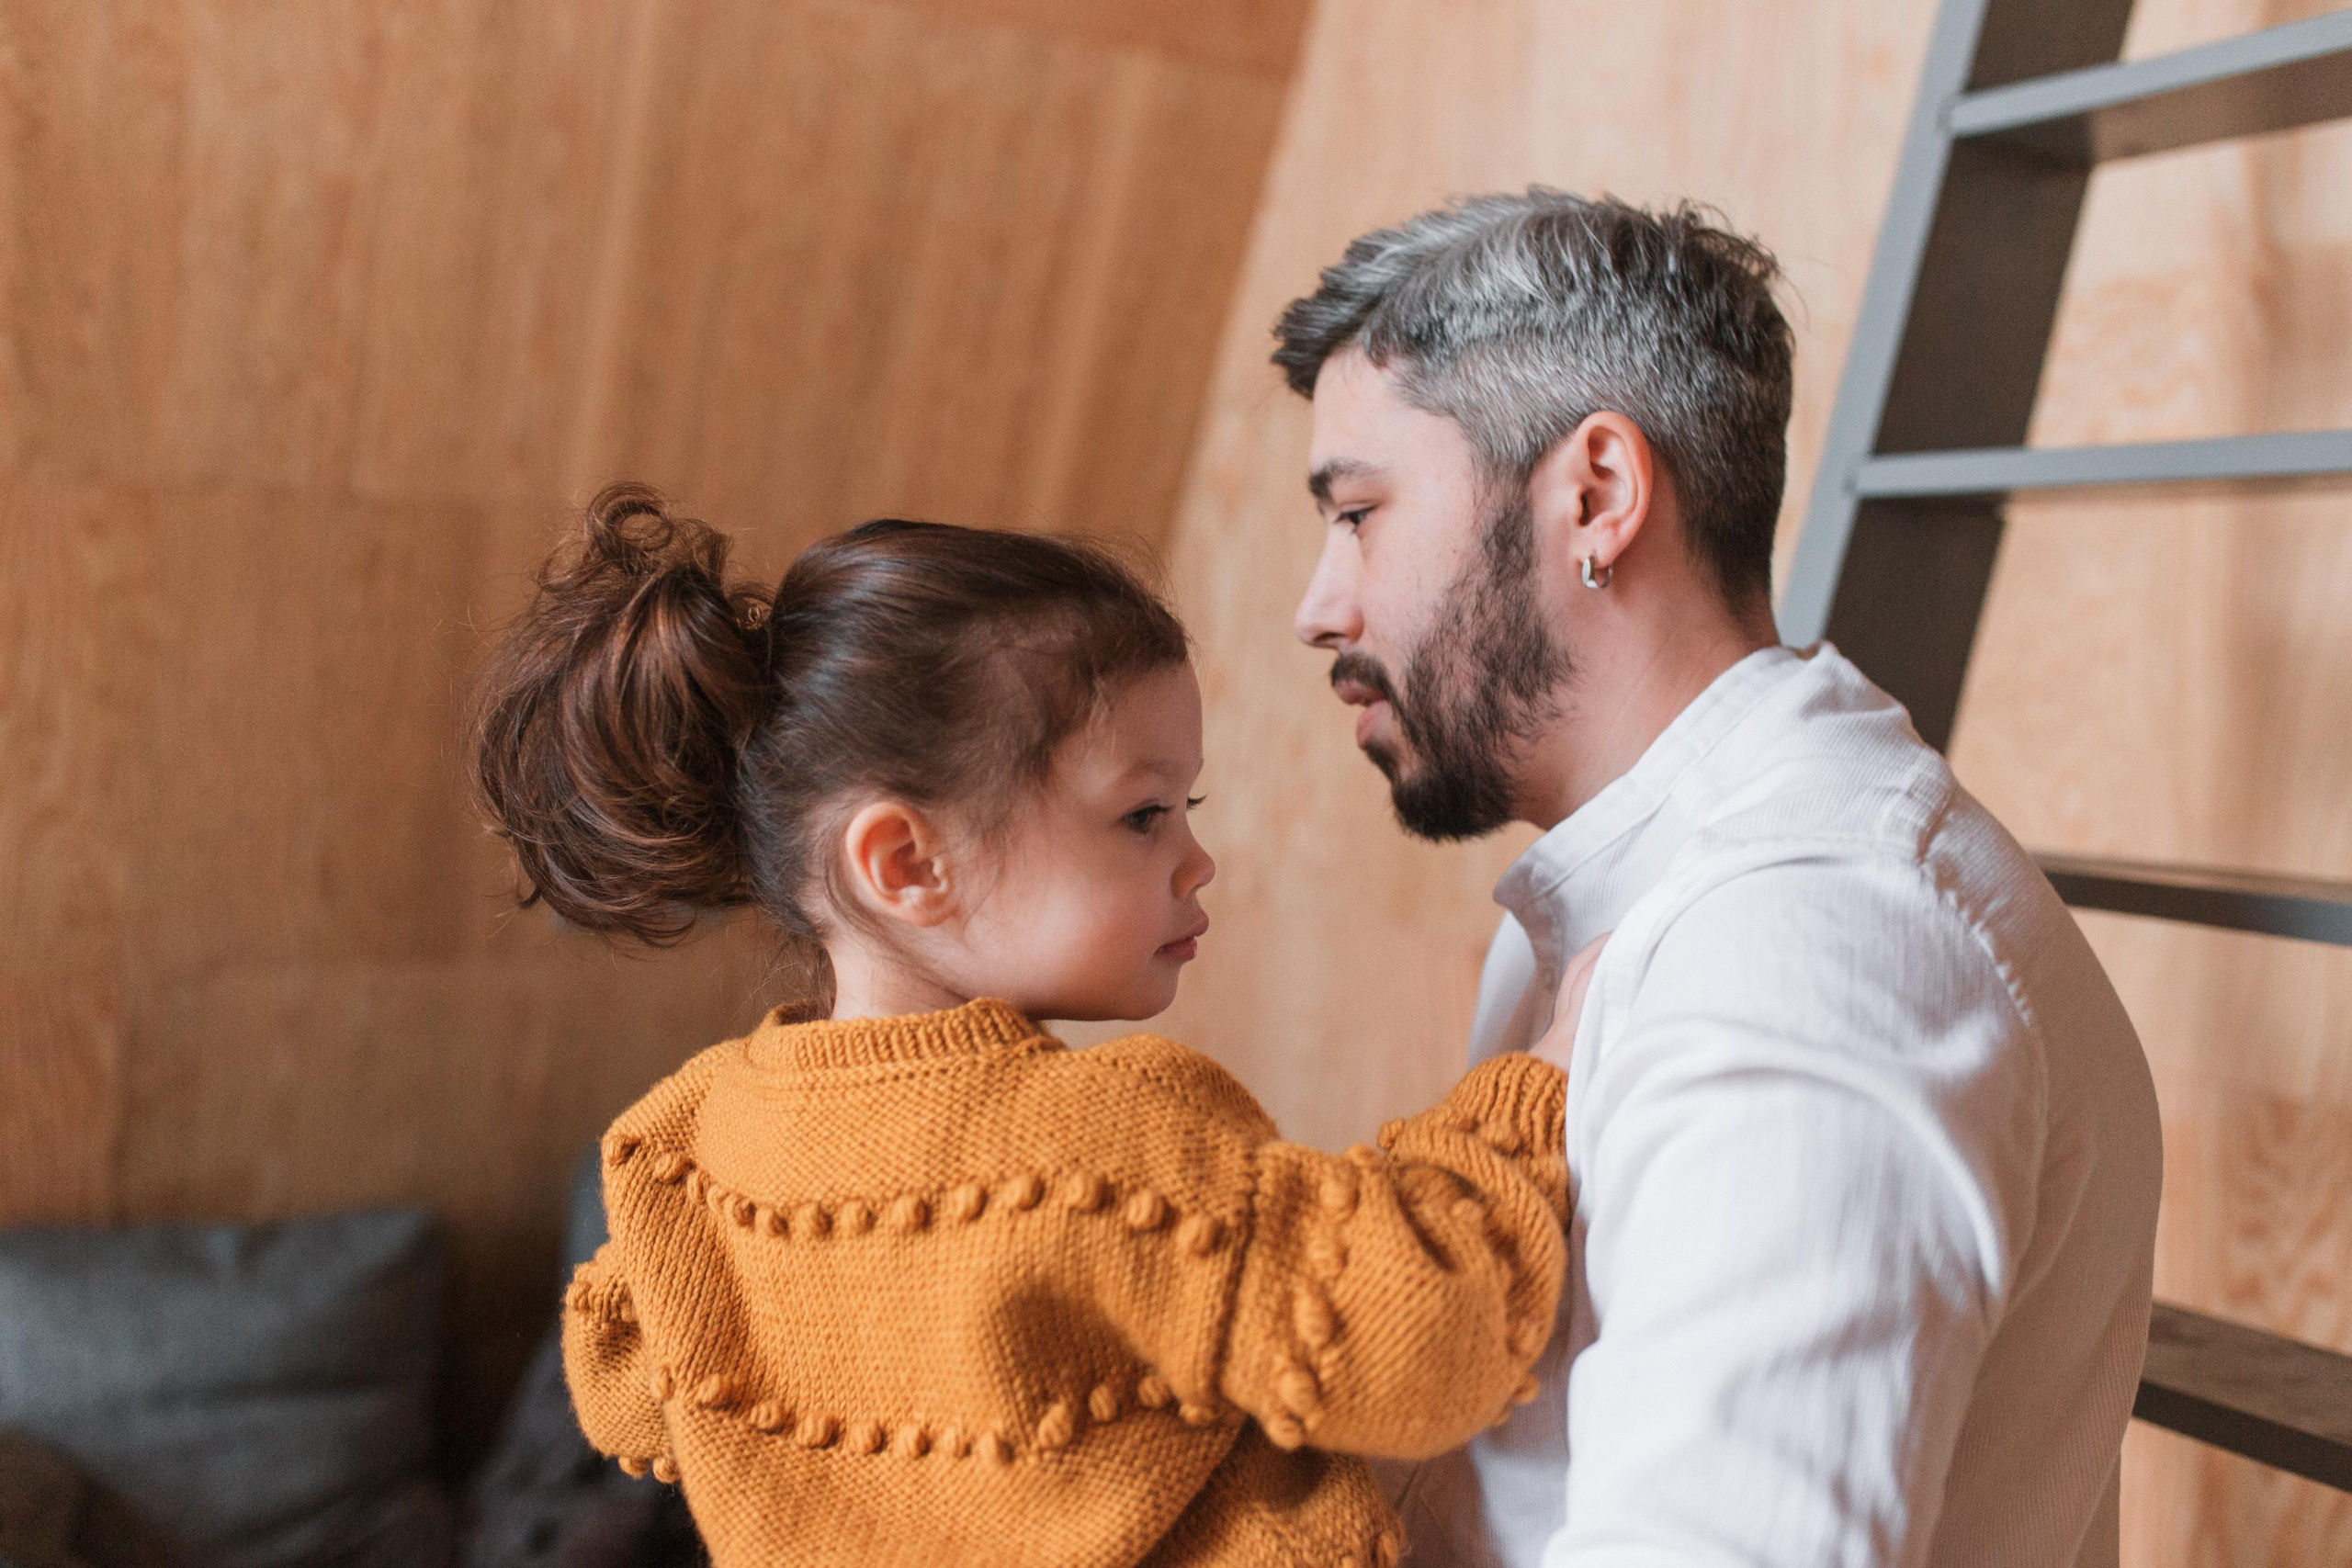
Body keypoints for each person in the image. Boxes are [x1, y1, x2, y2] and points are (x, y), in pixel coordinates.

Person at [1274, 189, 2163, 1568]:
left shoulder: (1810, 940)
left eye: (1360, 513)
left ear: (1599, 494)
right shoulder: (1609, 898)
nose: (1319, 605)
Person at [469, 485, 1589, 1568]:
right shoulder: (1107, 1140)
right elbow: (1415, 1343)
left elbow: (622, 1394)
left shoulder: (680, 1149)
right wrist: (1526, 1091)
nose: (1196, 862)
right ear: (906, 864)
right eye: (1143, 815)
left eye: (1184, 810)